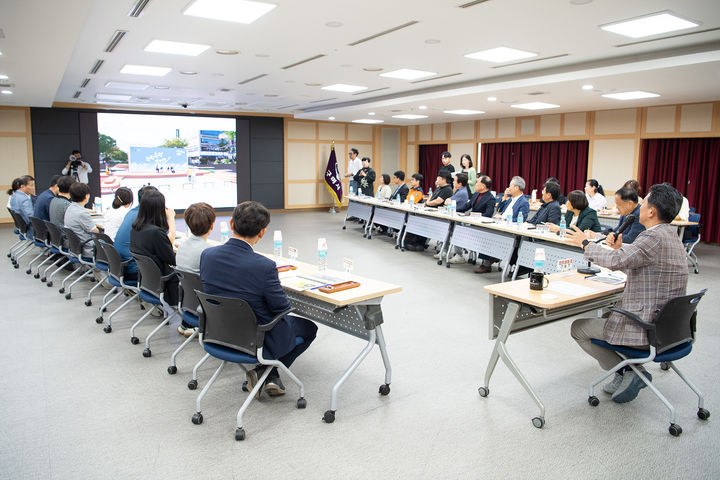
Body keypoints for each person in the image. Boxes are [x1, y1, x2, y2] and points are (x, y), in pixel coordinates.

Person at [567, 183, 687, 403]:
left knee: (578, 328)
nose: (640, 206)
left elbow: (615, 262)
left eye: (644, 202)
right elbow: (639, 263)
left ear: (651, 211)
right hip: (668, 327)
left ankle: (630, 372)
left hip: (644, 325)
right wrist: (618, 250)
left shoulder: (652, 237)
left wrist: (585, 243)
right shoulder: (671, 235)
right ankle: (629, 372)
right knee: (606, 315)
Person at [200, 201, 318, 396]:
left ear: (231, 224)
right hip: (255, 338)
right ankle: (267, 371)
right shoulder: (264, 266)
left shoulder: (208, 255)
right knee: (309, 328)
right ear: (262, 232)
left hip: (218, 331)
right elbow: (281, 308)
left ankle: (267, 374)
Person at [130, 189, 179, 307]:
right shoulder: (155, 233)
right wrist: (171, 218)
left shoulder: (135, 229)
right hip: (165, 282)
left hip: (148, 281)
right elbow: (173, 260)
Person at [175, 202, 216, 336]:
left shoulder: (181, 247)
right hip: (207, 306)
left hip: (189, 303)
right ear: (212, 226)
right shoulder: (207, 252)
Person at [114, 185, 165, 282]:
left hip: (121, 266)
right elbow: (166, 241)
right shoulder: (144, 217)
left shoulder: (132, 213)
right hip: (134, 269)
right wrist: (171, 217)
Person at [64, 182, 99, 259]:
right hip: (87, 249)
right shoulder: (82, 213)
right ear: (86, 196)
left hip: (75, 247)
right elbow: (95, 231)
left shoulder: (69, 208)